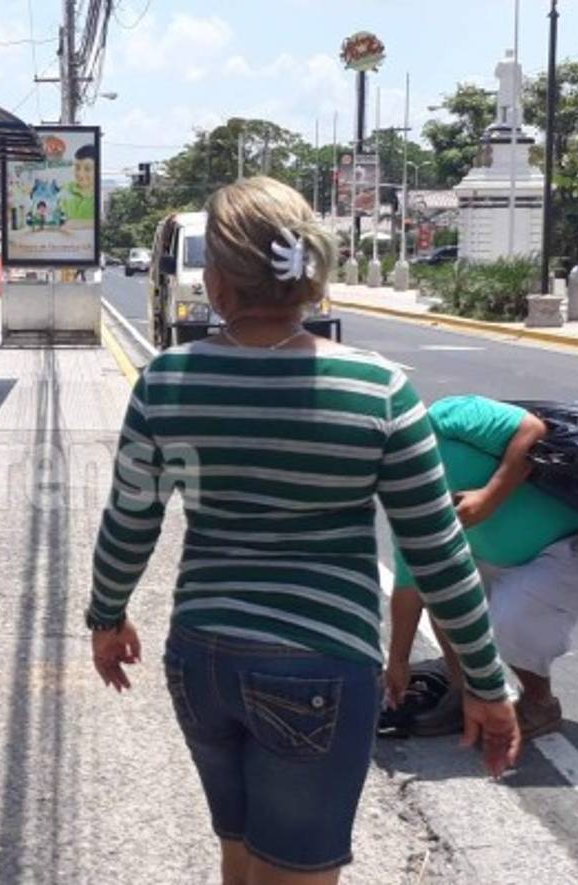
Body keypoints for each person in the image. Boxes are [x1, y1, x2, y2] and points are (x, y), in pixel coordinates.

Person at [86, 176, 519, 885]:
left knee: (241, 853)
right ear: (311, 278)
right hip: (318, 663)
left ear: (218, 281)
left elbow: (131, 518)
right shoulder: (377, 388)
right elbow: (436, 551)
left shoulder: (166, 380)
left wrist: (106, 616)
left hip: (202, 659)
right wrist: (485, 681)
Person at [385, 395, 578, 739]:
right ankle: (463, 691)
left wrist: (489, 497)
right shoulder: (403, 493)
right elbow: (411, 585)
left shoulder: (447, 416)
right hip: (503, 561)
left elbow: (532, 430)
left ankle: (539, 703)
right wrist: (397, 663)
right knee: (442, 588)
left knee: (507, 621)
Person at [62, 143, 96, 222]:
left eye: (87, 169)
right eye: (77, 168)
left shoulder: (97, 195)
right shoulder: (66, 189)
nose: (80, 174)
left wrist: (77, 223)